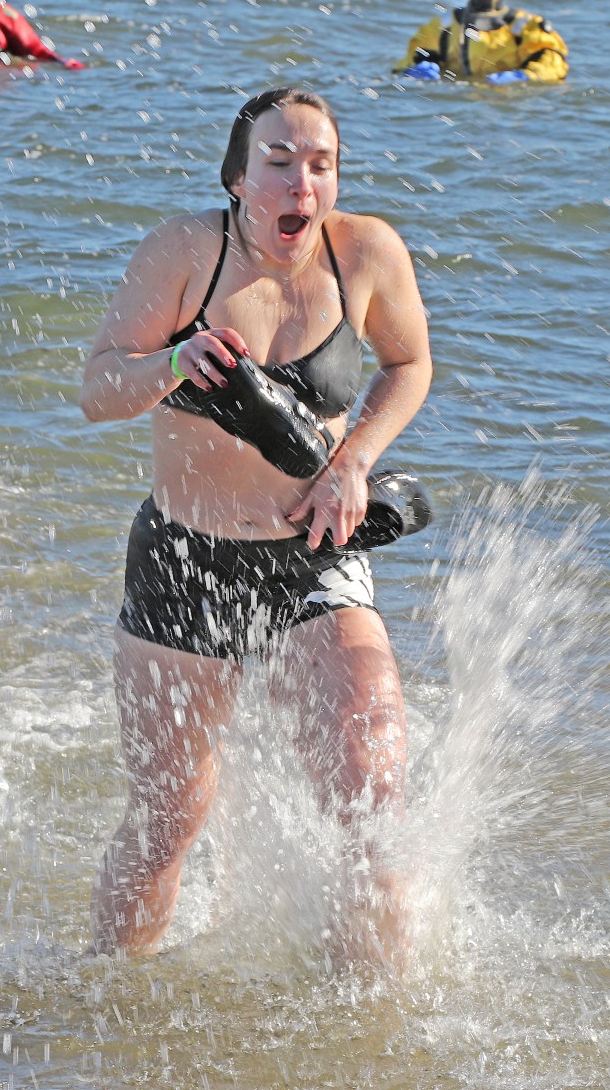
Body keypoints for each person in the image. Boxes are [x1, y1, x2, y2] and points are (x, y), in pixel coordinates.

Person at [81, 87, 433, 964]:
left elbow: (409, 361)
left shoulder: (366, 255)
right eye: (278, 162)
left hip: (311, 554)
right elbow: (96, 388)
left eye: (320, 165)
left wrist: (352, 458)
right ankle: (103, 998)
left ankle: (361, 1027)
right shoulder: (183, 253)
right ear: (238, 176)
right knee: (170, 818)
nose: (300, 183)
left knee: (371, 797)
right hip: (186, 559)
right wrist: (172, 361)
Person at [395, 0, 568, 85]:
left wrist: (524, 77)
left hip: (503, 102)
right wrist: (412, 69)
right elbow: (413, 56)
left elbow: (553, 63)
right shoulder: (446, 24)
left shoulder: (524, 26)